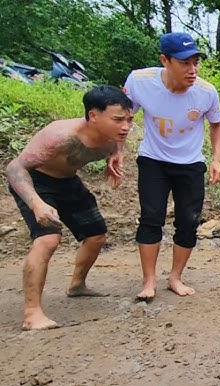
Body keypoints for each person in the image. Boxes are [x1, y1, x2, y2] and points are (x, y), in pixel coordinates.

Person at [5, 85, 134, 330]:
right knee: (48, 239)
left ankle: (77, 285)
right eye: (118, 120)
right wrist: (36, 204)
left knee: (96, 235)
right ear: (93, 115)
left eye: (129, 119)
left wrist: (114, 157)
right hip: (36, 182)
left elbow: (119, 141)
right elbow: (14, 168)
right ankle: (32, 314)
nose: (126, 126)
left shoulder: (115, 136)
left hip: (68, 182)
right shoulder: (60, 136)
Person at [109, 32, 220, 301]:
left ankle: (175, 277)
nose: (192, 70)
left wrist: (217, 159)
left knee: (188, 222)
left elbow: (217, 125)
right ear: (165, 60)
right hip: (153, 161)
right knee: (151, 218)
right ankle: (149, 281)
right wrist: (116, 151)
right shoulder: (140, 82)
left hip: (191, 164)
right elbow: (124, 117)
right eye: (185, 63)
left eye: (196, 62)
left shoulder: (206, 92)